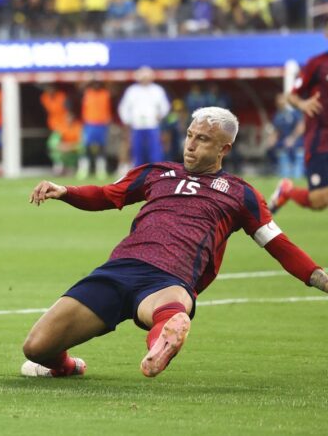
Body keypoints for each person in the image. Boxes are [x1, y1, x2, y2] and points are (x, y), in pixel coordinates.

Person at [21, 107, 327, 379]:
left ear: (224, 148)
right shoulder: (157, 173)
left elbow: (279, 245)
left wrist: (319, 277)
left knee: (170, 312)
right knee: (36, 347)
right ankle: (66, 366)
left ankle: (162, 344)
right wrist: (65, 190)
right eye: (190, 135)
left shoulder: (241, 194)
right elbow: (105, 195)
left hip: (170, 278)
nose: (191, 145)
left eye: (203, 139)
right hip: (118, 269)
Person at [268, 43, 328, 213]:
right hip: (321, 139)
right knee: (319, 201)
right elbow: (291, 96)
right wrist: (302, 103)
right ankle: (287, 191)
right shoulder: (317, 64)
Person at [118, 66, 170, 168]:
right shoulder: (132, 91)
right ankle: (138, 171)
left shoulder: (157, 90)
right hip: (137, 125)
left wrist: (161, 115)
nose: (145, 80)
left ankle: (157, 170)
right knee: (137, 150)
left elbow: (165, 106)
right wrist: (127, 120)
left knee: (155, 150)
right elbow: (123, 107)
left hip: (152, 125)